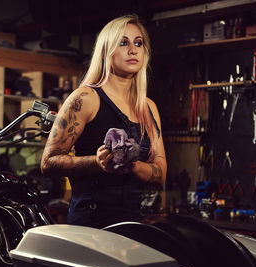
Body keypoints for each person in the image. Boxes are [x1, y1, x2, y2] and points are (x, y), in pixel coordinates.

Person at [41, 14, 167, 228]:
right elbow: (48, 162)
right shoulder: (85, 98)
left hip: (134, 223)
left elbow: (161, 172)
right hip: (92, 223)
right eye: (123, 42)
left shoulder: (148, 107)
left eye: (138, 43)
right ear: (107, 50)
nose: (133, 50)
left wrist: (133, 165)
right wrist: (97, 162)